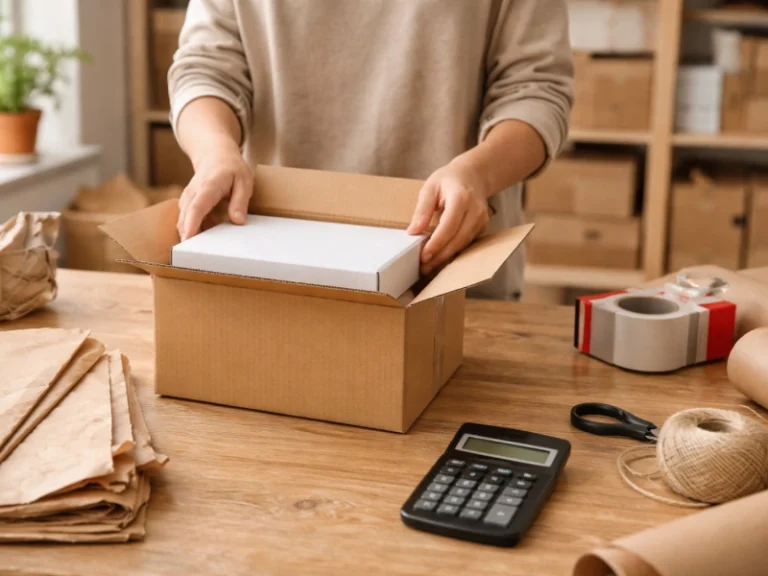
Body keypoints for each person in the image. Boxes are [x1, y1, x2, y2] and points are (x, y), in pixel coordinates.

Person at [169, 0, 573, 301]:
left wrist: (479, 174)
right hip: (275, 278)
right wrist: (214, 152)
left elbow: (535, 90)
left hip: (453, 283)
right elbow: (205, 68)